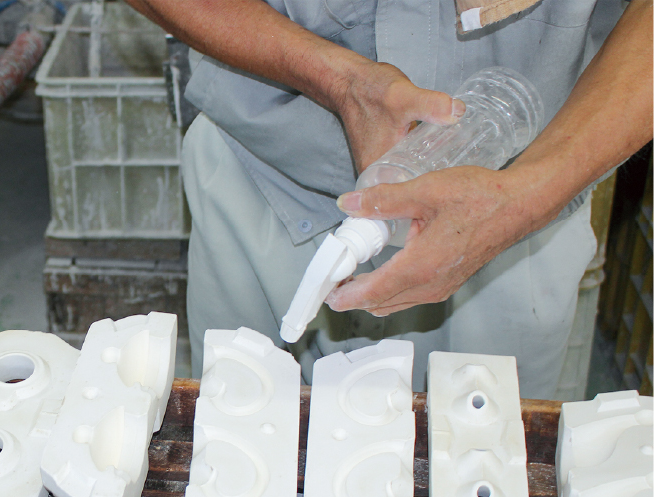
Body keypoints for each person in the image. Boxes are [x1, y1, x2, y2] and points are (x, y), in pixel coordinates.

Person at [125, 0, 652, 398]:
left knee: (478, 469)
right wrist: (339, 80)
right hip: (262, 165)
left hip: (514, 202)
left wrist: (528, 198)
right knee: (242, 437)